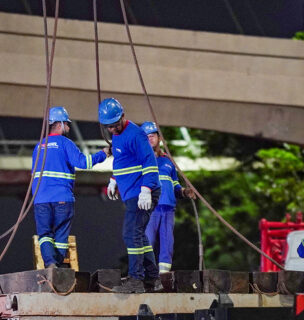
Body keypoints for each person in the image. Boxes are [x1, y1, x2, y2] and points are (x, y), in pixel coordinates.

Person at [32, 106, 109, 269]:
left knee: (45, 234)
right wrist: (103, 153)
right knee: (60, 235)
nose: (68, 127)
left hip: (41, 200)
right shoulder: (66, 143)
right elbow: (84, 163)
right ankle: (57, 268)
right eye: (67, 123)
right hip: (62, 199)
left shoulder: (38, 146)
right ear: (59, 123)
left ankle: (50, 264)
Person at [98, 98, 161, 293]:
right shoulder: (117, 135)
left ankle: (136, 280)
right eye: (109, 127)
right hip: (132, 192)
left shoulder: (136, 135)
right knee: (139, 235)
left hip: (141, 192)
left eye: (115, 125)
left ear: (123, 117)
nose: (113, 130)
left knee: (131, 234)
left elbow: (149, 161)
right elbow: (123, 160)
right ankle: (153, 279)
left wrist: (147, 189)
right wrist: (114, 179)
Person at [140, 121, 192, 273]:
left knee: (167, 243)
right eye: (146, 136)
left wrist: (183, 191)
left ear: (159, 138)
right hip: (150, 208)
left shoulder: (168, 161)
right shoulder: (140, 160)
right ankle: (146, 273)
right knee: (148, 240)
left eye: (153, 136)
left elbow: (175, 183)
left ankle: (164, 276)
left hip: (169, 208)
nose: (150, 139)